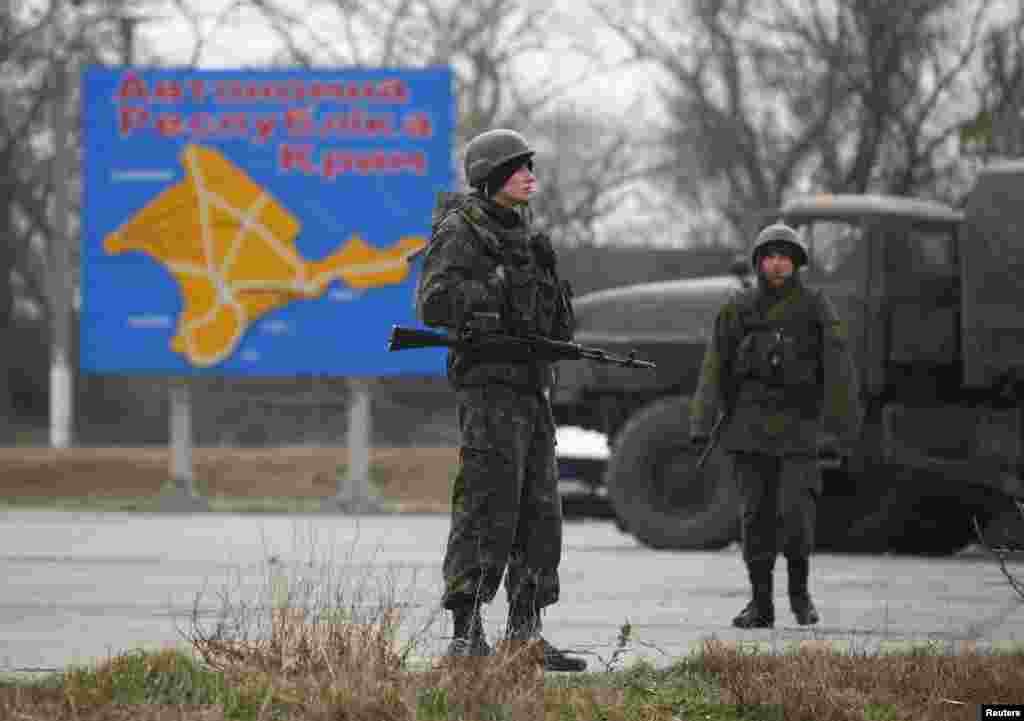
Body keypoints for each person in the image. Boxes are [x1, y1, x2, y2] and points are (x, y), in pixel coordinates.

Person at [414, 128, 586, 671]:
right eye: (519, 167)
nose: (530, 175)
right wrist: (495, 291)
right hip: (488, 390)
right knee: (487, 507)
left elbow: (553, 312)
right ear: (491, 178)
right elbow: (433, 303)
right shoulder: (461, 232)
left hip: (532, 390)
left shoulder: (532, 237)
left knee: (541, 514)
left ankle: (525, 633)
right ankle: (466, 634)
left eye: (531, 166)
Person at [689, 223, 862, 628]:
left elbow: (839, 365)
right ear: (759, 262)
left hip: (799, 427)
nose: (778, 263)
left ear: (797, 262)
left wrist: (841, 424)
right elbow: (714, 365)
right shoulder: (738, 307)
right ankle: (761, 604)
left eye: (785, 256)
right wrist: (702, 419)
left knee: (796, 515)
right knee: (755, 518)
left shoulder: (815, 306)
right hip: (747, 428)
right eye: (770, 255)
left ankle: (800, 598)